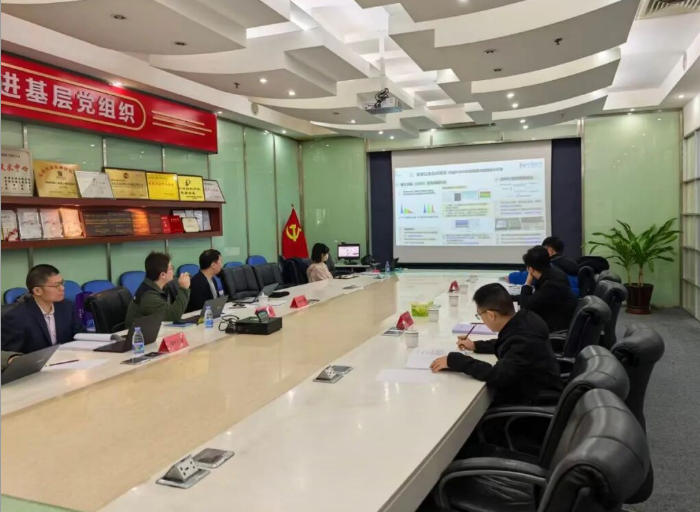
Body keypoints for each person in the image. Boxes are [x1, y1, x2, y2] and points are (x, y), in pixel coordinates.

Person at [430, 283, 562, 405]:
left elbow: (497, 376)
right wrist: (476, 345)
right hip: (536, 390)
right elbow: (508, 343)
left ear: (491, 315)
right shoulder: (525, 319)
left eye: (480, 315)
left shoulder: (523, 340)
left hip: (530, 405)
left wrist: (456, 360)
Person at [1, 264, 83, 353]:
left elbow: (80, 335)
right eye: (56, 286)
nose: (62, 288)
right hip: (34, 361)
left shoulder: (68, 307)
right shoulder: (16, 317)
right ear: (37, 291)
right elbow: (11, 354)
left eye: (62, 283)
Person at [519, 245, 578, 332]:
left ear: (530, 269)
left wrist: (527, 283)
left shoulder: (551, 285)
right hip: (559, 319)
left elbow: (525, 307)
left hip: (555, 328)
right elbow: (535, 299)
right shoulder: (554, 272)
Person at [125, 252, 190, 327]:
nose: (173, 271)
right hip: (139, 333)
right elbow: (173, 317)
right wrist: (184, 289)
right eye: (171, 268)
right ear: (162, 275)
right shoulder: (149, 296)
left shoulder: (157, 286)